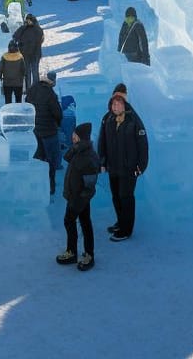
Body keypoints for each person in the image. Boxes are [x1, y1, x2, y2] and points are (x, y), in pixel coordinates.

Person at [97, 87, 148, 241]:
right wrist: (102, 161)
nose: (115, 106)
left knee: (126, 198)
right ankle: (120, 222)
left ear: (125, 104)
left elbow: (143, 145)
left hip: (129, 168)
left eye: (119, 104)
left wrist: (141, 166)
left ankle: (126, 230)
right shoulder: (108, 119)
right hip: (113, 167)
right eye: (113, 104)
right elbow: (102, 142)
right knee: (116, 197)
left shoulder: (134, 121)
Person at [56, 122, 100, 271]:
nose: (72, 136)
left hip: (79, 197)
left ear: (81, 137)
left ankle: (76, 253)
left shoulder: (88, 156)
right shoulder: (80, 151)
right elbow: (67, 157)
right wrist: (75, 146)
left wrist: (80, 199)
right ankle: (84, 253)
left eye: (75, 135)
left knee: (70, 221)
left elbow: (90, 183)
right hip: (76, 195)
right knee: (84, 222)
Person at [26, 70, 62, 194]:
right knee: (50, 161)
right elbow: (57, 113)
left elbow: (27, 105)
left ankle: (35, 186)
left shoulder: (32, 89)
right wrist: (58, 123)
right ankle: (50, 186)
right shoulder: (50, 94)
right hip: (49, 133)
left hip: (35, 132)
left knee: (37, 159)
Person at [13, 13, 44, 94]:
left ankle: (36, 88)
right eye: (27, 20)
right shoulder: (23, 29)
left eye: (29, 20)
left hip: (34, 54)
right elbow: (15, 36)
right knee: (27, 73)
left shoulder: (38, 29)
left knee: (34, 72)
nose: (28, 22)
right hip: (26, 54)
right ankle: (28, 89)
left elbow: (40, 40)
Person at [0, 39, 26, 103]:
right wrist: (22, 77)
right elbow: (24, 70)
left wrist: (1, 77)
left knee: (8, 101)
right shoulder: (20, 57)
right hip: (18, 83)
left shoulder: (4, 57)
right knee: (18, 101)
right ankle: (18, 111)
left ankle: (8, 112)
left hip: (7, 82)